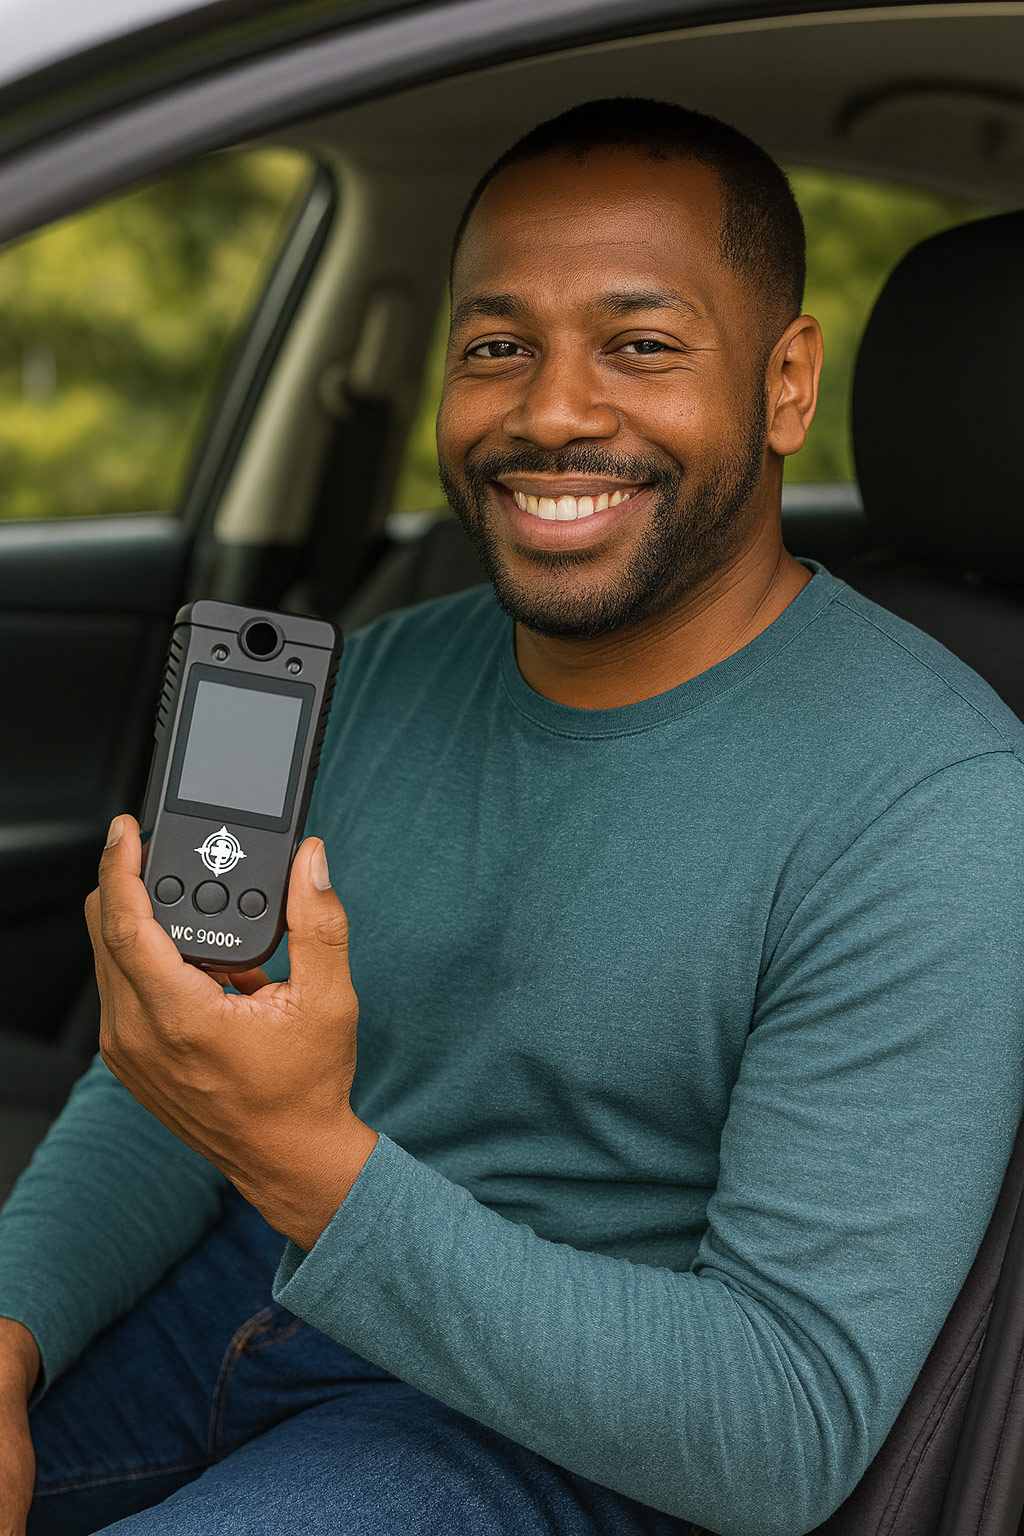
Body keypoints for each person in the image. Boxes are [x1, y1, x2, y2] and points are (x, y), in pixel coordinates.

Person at [1, 97, 1023, 1536]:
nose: (551, 411)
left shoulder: (941, 804)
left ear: (788, 385)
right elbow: (185, 1081)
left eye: (641, 344)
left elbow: (781, 1428)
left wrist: (311, 1164)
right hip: (248, 1292)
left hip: (539, 1438)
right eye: (497, 348)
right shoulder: (391, 666)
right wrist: (12, 1333)